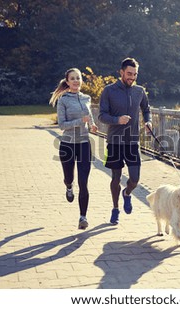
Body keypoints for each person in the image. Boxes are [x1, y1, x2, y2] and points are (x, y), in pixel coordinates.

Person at [99, 58, 152, 225]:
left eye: (135, 74)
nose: (132, 77)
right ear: (121, 72)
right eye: (129, 74)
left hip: (132, 141)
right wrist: (117, 119)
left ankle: (127, 194)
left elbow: (146, 109)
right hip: (114, 141)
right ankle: (115, 209)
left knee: (135, 179)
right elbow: (101, 115)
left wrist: (148, 120)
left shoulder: (139, 91)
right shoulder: (109, 91)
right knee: (116, 177)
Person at [49, 68, 98, 230]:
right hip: (68, 145)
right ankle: (68, 186)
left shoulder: (86, 98)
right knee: (69, 177)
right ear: (68, 82)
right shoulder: (63, 100)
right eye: (73, 78)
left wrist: (92, 125)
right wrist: (79, 121)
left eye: (78, 78)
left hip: (84, 144)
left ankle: (83, 217)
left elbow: (89, 117)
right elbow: (62, 125)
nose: (76, 81)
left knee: (83, 183)